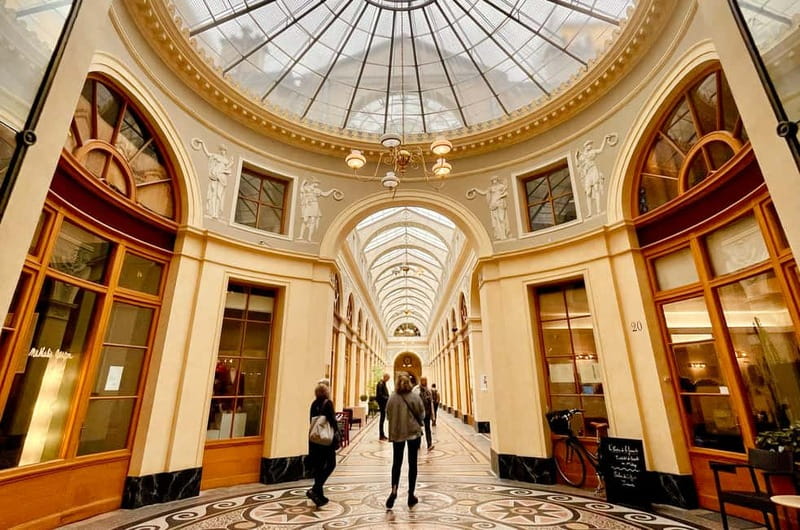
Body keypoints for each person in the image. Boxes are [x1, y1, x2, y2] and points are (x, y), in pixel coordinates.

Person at [386, 373, 425, 509]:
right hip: (413, 433)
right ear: (409, 382)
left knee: (396, 463)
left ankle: (394, 490)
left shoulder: (392, 397)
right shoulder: (414, 396)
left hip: (397, 433)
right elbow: (422, 414)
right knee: (412, 464)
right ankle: (411, 495)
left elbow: (388, 415)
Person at [307, 381, 340, 507]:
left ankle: (319, 496)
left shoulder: (313, 404)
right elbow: (332, 421)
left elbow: (311, 421)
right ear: (326, 392)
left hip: (315, 439)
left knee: (319, 466)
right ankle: (316, 488)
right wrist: (337, 433)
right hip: (326, 441)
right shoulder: (328, 403)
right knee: (331, 464)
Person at [417, 376, 435, 451]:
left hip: (427, 413)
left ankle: (429, 444)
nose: (424, 382)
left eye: (425, 380)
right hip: (419, 413)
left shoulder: (428, 390)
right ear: (420, 381)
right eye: (423, 380)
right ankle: (417, 444)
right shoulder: (417, 390)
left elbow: (431, 403)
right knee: (418, 429)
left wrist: (432, 415)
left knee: (427, 428)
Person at [376, 373, 390, 441]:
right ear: (385, 377)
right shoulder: (381, 384)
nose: (388, 380)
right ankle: (381, 435)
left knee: (383, 419)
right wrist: (387, 398)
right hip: (382, 404)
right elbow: (380, 395)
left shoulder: (383, 383)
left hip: (384, 403)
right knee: (382, 419)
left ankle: (382, 434)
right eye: (388, 378)